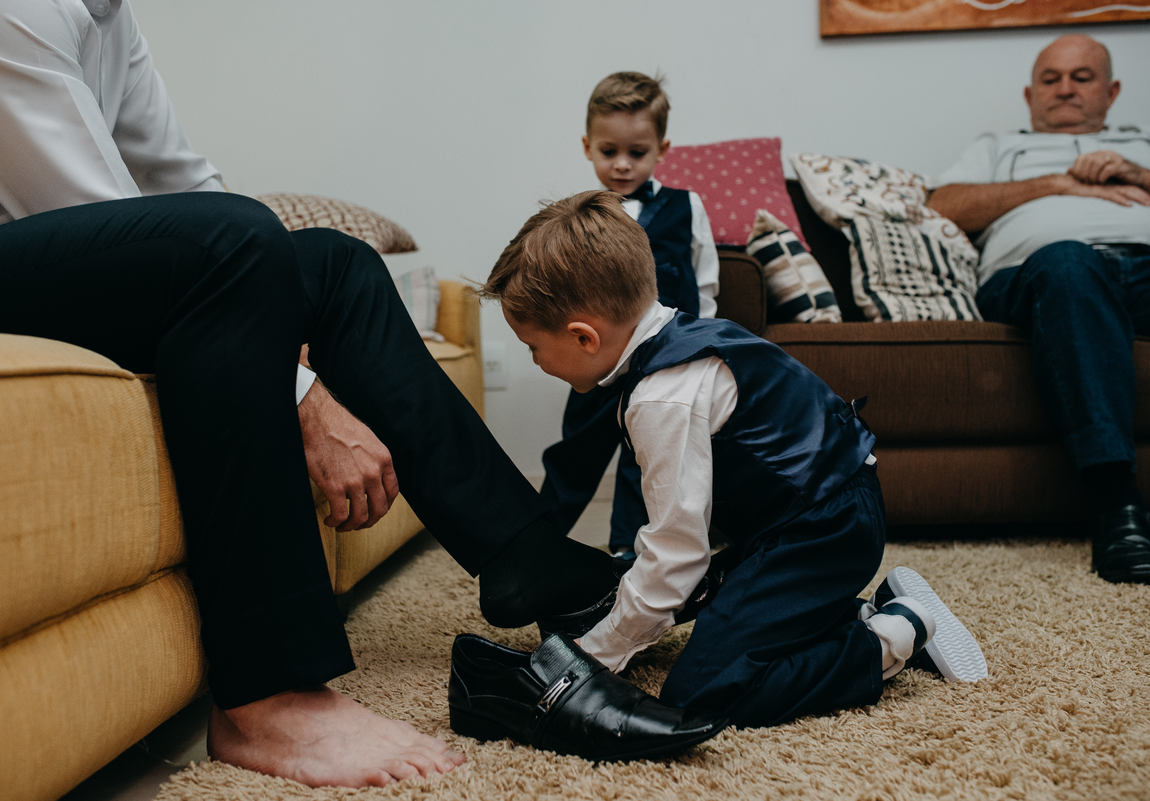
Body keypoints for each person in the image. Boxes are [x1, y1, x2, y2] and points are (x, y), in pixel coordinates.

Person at [0, 0, 627, 788]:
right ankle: (264, 697)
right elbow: (102, 217)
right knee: (231, 244)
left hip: (69, 269)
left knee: (334, 264)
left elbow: (184, 181)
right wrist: (302, 390)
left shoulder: (107, 14)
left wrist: (271, 284)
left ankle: (528, 558)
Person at [482, 190, 987, 728]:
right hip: (803, 517)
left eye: (533, 346)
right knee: (674, 588)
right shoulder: (677, 336)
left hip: (826, 531)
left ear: (583, 337)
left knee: (704, 691)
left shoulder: (663, 399)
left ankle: (889, 636)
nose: (534, 360)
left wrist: (596, 658)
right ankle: (849, 610)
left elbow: (677, 555)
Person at [927, 34, 1150, 585]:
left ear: (1112, 90)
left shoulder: (1141, 144)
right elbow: (942, 205)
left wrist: (1138, 175)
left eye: (1082, 76)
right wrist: (1056, 184)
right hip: (1042, 277)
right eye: (1051, 79)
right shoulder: (1000, 147)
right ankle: (1116, 505)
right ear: (1031, 94)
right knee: (1071, 263)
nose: (1065, 88)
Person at [541, 71, 719, 557]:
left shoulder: (689, 207)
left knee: (645, 459)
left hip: (663, 362)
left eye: (636, 153)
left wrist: (698, 345)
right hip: (598, 364)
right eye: (608, 151)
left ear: (662, 149)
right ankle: (534, 541)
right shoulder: (581, 215)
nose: (622, 165)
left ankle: (627, 554)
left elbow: (704, 281)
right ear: (587, 146)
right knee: (575, 452)